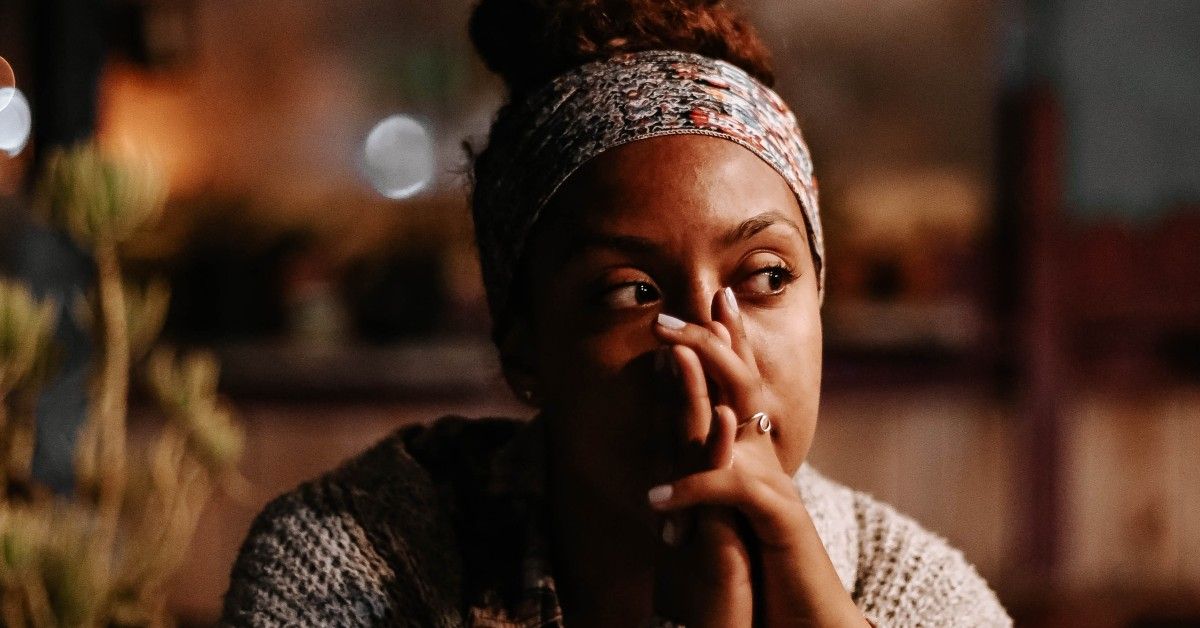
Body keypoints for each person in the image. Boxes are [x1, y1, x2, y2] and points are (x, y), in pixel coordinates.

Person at [221, 1, 1012, 626]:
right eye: (634, 292)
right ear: (523, 341)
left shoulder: (913, 593)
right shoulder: (357, 561)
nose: (709, 345)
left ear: (821, 298)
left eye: (766, 277)